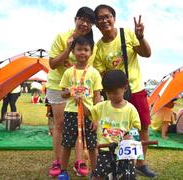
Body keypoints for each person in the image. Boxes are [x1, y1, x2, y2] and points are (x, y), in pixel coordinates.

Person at [93, 4, 155, 177]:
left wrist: (140, 37)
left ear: (114, 18)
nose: (104, 20)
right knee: (114, 127)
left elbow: (146, 53)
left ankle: (141, 164)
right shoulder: (98, 47)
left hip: (135, 88)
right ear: (96, 24)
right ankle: (118, 162)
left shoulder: (126, 33)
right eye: (100, 18)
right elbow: (101, 73)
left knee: (142, 125)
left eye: (107, 16)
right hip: (114, 94)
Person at [46, 7, 96, 177]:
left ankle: (79, 160)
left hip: (81, 91)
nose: (85, 23)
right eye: (82, 19)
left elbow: (90, 69)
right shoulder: (61, 36)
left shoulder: (91, 44)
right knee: (61, 125)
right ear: (75, 19)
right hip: (58, 85)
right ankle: (58, 161)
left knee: (80, 125)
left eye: (90, 21)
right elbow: (52, 64)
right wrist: (68, 49)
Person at [84, 70, 146, 179]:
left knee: (126, 176)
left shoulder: (130, 109)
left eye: (115, 92)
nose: (112, 96)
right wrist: (80, 101)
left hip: (124, 152)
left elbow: (136, 129)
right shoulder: (101, 106)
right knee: (98, 175)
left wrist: (129, 136)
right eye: (108, 93)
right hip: (105, 150)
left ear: (125, 89)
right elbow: (88, 113)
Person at [58, 36, 102, 178]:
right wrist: (71, 92)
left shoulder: (94, 73)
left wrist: (96, 117)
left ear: (91, 52)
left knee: (92, 145)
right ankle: (63, 171)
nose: (82, 52)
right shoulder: (68, 72)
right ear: (73, 51)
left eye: (86, 50)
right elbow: (62, 93)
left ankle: (95, 172)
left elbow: (97, 96)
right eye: (79, 49)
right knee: (67, 143)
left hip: (89, 113)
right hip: (71, 112)